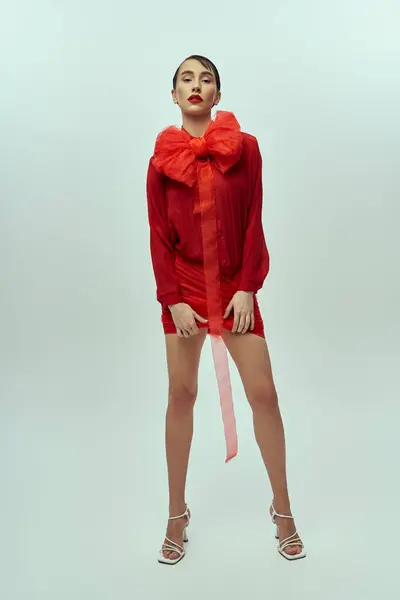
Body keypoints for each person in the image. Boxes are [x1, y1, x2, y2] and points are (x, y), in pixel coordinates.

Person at [146, 54, 306, 565]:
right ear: (174, 95)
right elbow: (158, 237)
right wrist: (173, 299)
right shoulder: (159, 162)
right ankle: (176, 513)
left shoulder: (247, 149)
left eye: (206, 78)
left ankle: (282, 509)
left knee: (265, 395)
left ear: (218, 94)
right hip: (186, 290)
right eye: (186, 79)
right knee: (181, 392)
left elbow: (255, 216)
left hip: (236, 289)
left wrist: (247, 286)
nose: (196, 85)